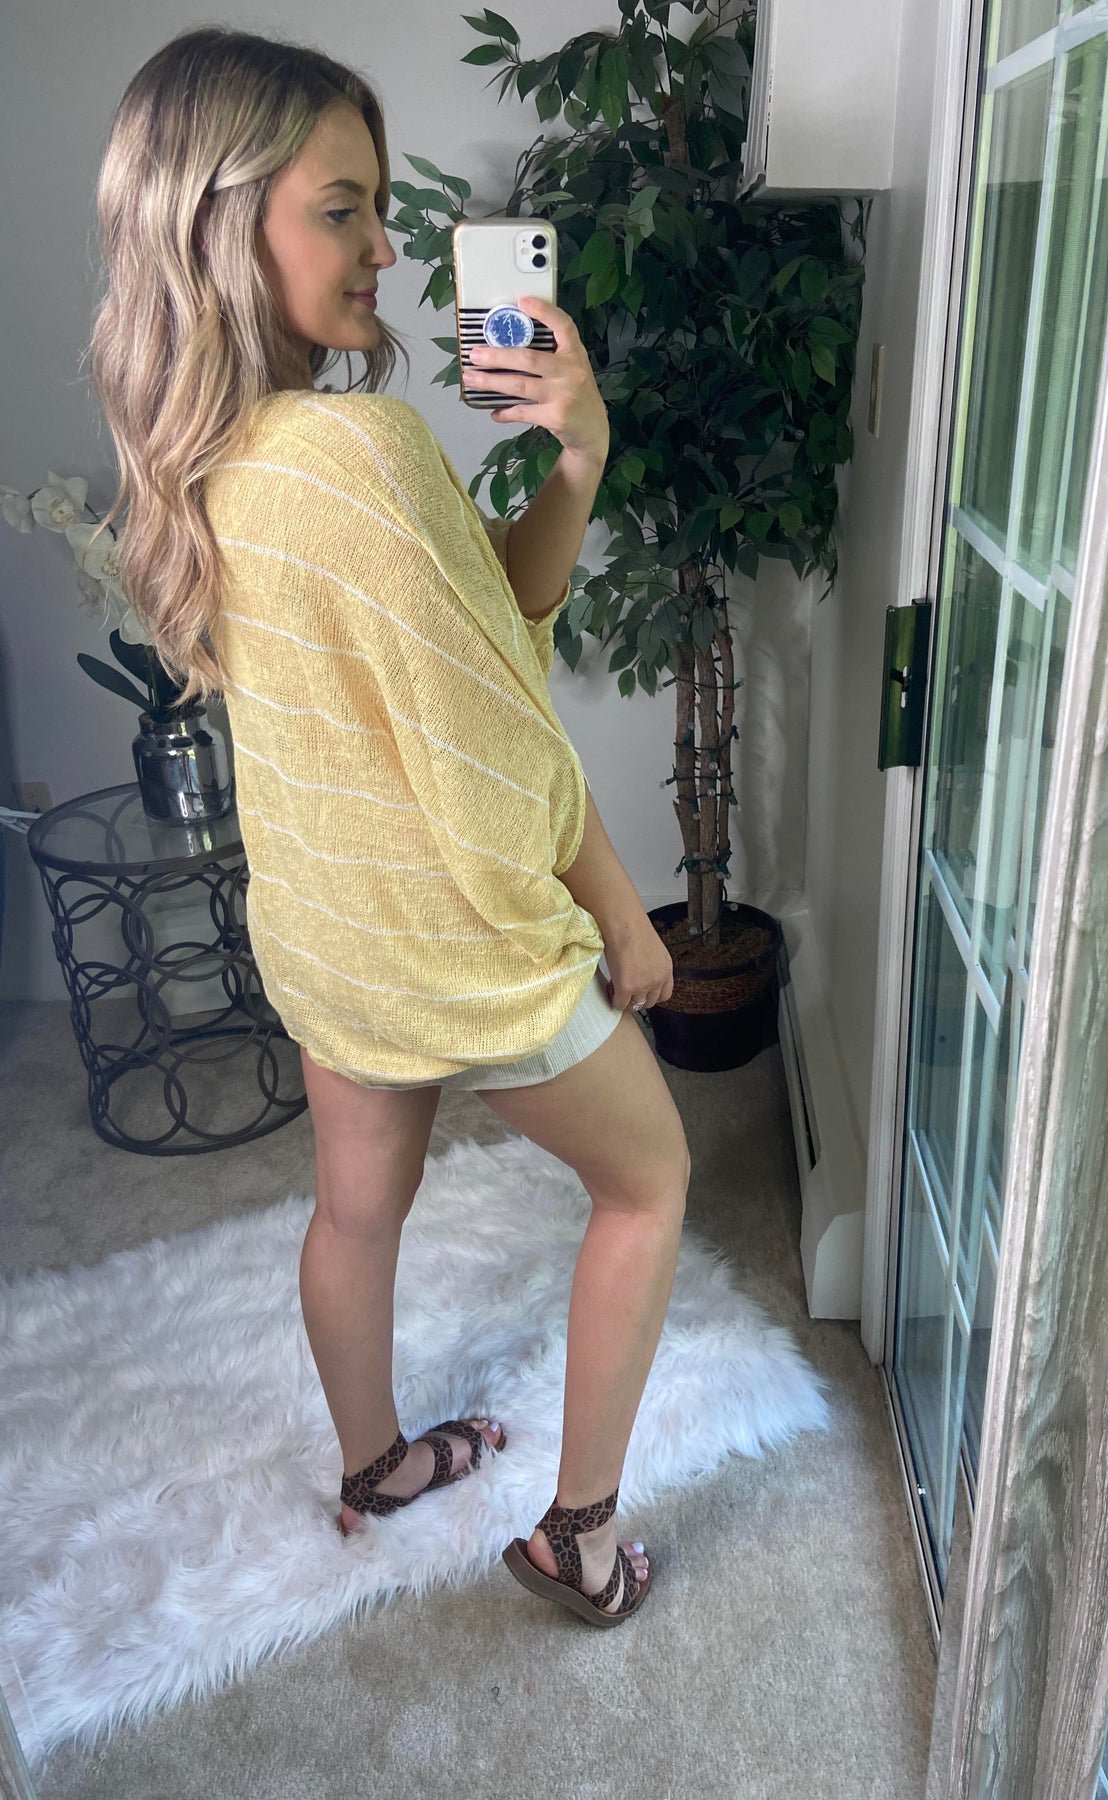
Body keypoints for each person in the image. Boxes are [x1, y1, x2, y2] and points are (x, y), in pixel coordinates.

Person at [86, 26, 690, 1627]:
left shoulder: (205, 461)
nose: (384, 251)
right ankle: (577, 1541)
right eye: (340, 210)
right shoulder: (358, 448)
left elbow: (485, 613)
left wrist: (576, 455)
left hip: (327, 927)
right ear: (224, 226)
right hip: (449, 934)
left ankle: (374, 1468)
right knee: (650, 1183)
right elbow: (501, 739)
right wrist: (620, 914)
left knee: (355, 1211)